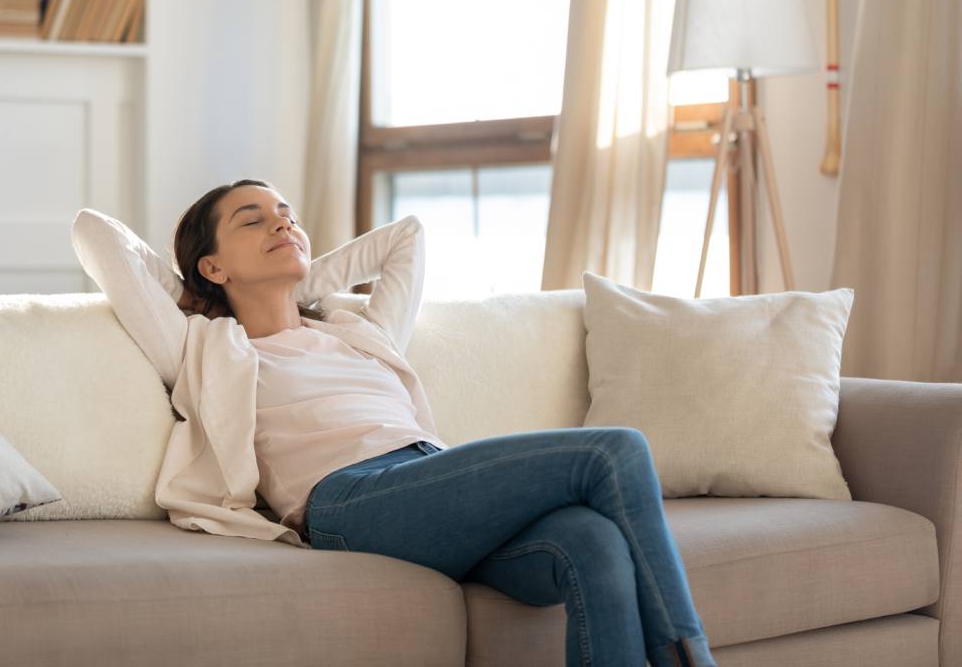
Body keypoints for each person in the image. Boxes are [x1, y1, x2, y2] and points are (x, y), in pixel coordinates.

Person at [84, 178, 717, 667]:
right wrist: (211, 287)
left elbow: (407, 234)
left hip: (426, 478)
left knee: (591, 540)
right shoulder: (204, 345)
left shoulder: (358, 332)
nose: (281, 221)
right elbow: (97, 234)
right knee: (613, 451)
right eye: (253, 219)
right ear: (213, 267)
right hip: (348, 499)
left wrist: (294, 272)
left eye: (289, 215)